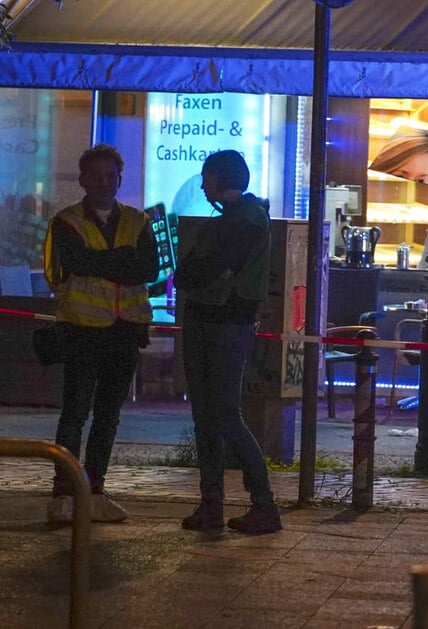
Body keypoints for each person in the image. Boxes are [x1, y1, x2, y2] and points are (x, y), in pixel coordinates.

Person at [43, 143, 158, 524]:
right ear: (83, 180)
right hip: (81, 331)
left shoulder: (138, 221)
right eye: (97, 175)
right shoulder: (66, 221)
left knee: (108, 415)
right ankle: (63, 494)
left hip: (124, 332)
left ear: (120, 178)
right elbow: (75, 261)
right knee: (74, 413)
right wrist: (122, 262)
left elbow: (148, 269)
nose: (105, 182)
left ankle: (94, 490)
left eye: (112, 175)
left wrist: (103, 264)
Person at [174, 150, 282, 534]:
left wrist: (190, 272)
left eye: (207, 177)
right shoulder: (235, 219)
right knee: (207, 416)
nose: (203, 185)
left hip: (224, 323)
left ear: (222, 178)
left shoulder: (246, 220)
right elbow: (191, 272)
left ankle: (263, 504)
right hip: (210, 321)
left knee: (223, 415)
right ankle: (212, 504)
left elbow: (197, 270)